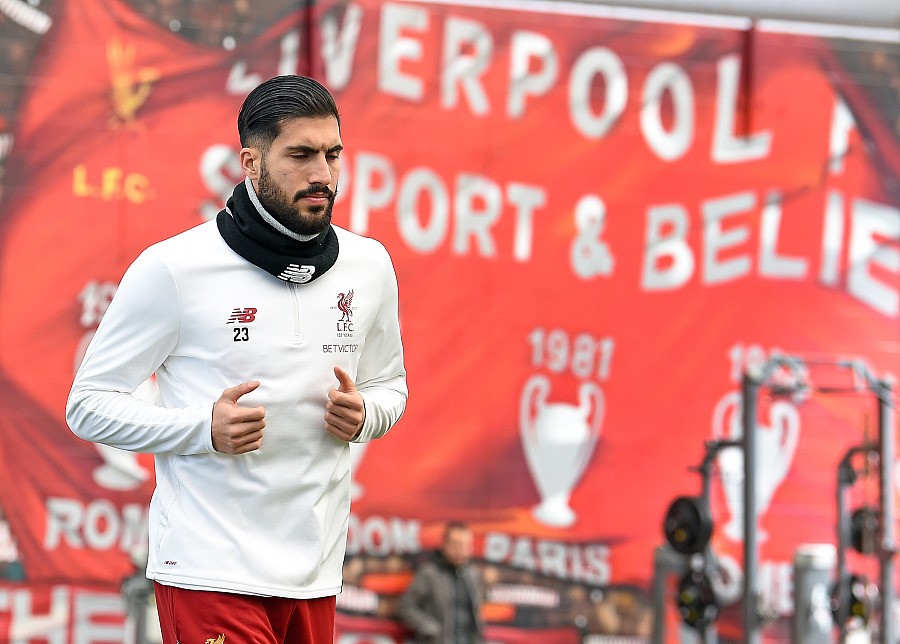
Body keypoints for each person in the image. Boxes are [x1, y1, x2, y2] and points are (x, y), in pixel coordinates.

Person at [66, 74, 407, 644]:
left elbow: (390, 386)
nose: (323, 174)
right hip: (209, 572)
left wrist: (366, 415)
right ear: (250, 162)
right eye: (300, 155)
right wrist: (203, 429)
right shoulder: (174, 268)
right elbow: (87, 405)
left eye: (332, 154)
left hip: (316, 575)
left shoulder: (369, 266)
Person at [398, 522, 485, 644]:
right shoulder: (430, 573)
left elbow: (476, 614)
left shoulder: (473, 575)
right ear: (444, 544)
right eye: (456, 545)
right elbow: (406, 607)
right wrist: (429, 627)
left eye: (465, 545)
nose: (461, 551)